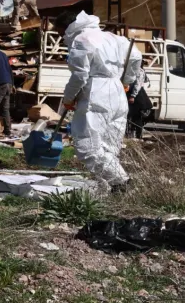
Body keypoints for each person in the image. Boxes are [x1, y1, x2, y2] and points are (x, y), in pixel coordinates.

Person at [53, 10, 142, 191]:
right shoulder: (115, 38)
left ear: (69, 26)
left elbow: (79, 75)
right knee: (109, 146)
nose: (61, 36)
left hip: (96, 92)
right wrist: (127, 81)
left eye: (60, 31)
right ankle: (111, 188)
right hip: (117, 92)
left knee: (89, 147)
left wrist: (68, 99)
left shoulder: (82, 40)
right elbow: (136, 56)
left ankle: (122, 183)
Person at [126, 60, 152, 139]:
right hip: (136, 94)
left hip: (137, 95)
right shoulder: (136, 70)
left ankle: (137, 135)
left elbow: (138, 84)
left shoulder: (139, 71)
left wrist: (133, 96)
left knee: (136, 116)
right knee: (133, 116)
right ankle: (133, 134)